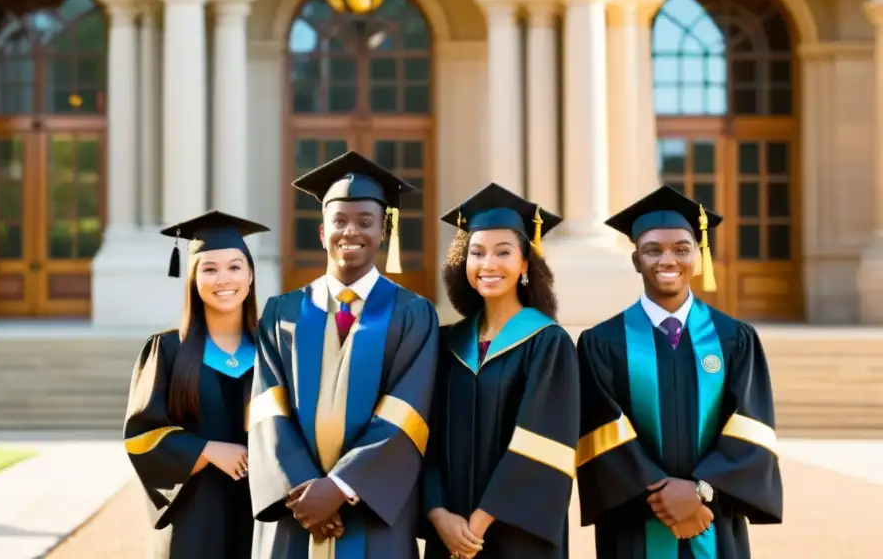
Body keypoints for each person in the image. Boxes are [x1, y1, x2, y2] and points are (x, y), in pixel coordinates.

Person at [248, 150, 440, 559]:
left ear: (383, 231)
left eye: (365, 222)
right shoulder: (281, 313)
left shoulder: (413, 314)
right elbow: (268, 409)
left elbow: (408, 411)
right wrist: (305, 494)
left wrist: (340, 488)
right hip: (295, 509)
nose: (350, 232)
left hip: (370, 510)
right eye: (339, 222)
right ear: (322, 233)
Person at [576, 185, 784, 558]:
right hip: (633, 525)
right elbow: (599, 431)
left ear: (698, 257)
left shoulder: (733, 339)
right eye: (653, 250)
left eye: (681, 249)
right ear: (636, 259)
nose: (667, 259)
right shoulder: (601, 343)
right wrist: (663, 494)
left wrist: (700, 491)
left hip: (712, 516)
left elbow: (750, 425)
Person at [422, 182, 580, 559]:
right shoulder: (446, 344)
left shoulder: (548, 343)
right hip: (449, 532)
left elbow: (544, 442)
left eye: (503, 252)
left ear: (525, 263)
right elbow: (425, 438)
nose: (488, 264)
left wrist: (477, 524)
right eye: (477, 253)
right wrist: (437, 512)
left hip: (518, 535)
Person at [123, 210, 268, 559]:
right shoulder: (167, 351)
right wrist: (207, 450)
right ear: (192, 278)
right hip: (194, 518)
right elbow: (141, 436)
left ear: (250, 276)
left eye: (235, 267)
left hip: (261, 514)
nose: (224, 279)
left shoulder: (273, 350)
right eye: (210, 269)